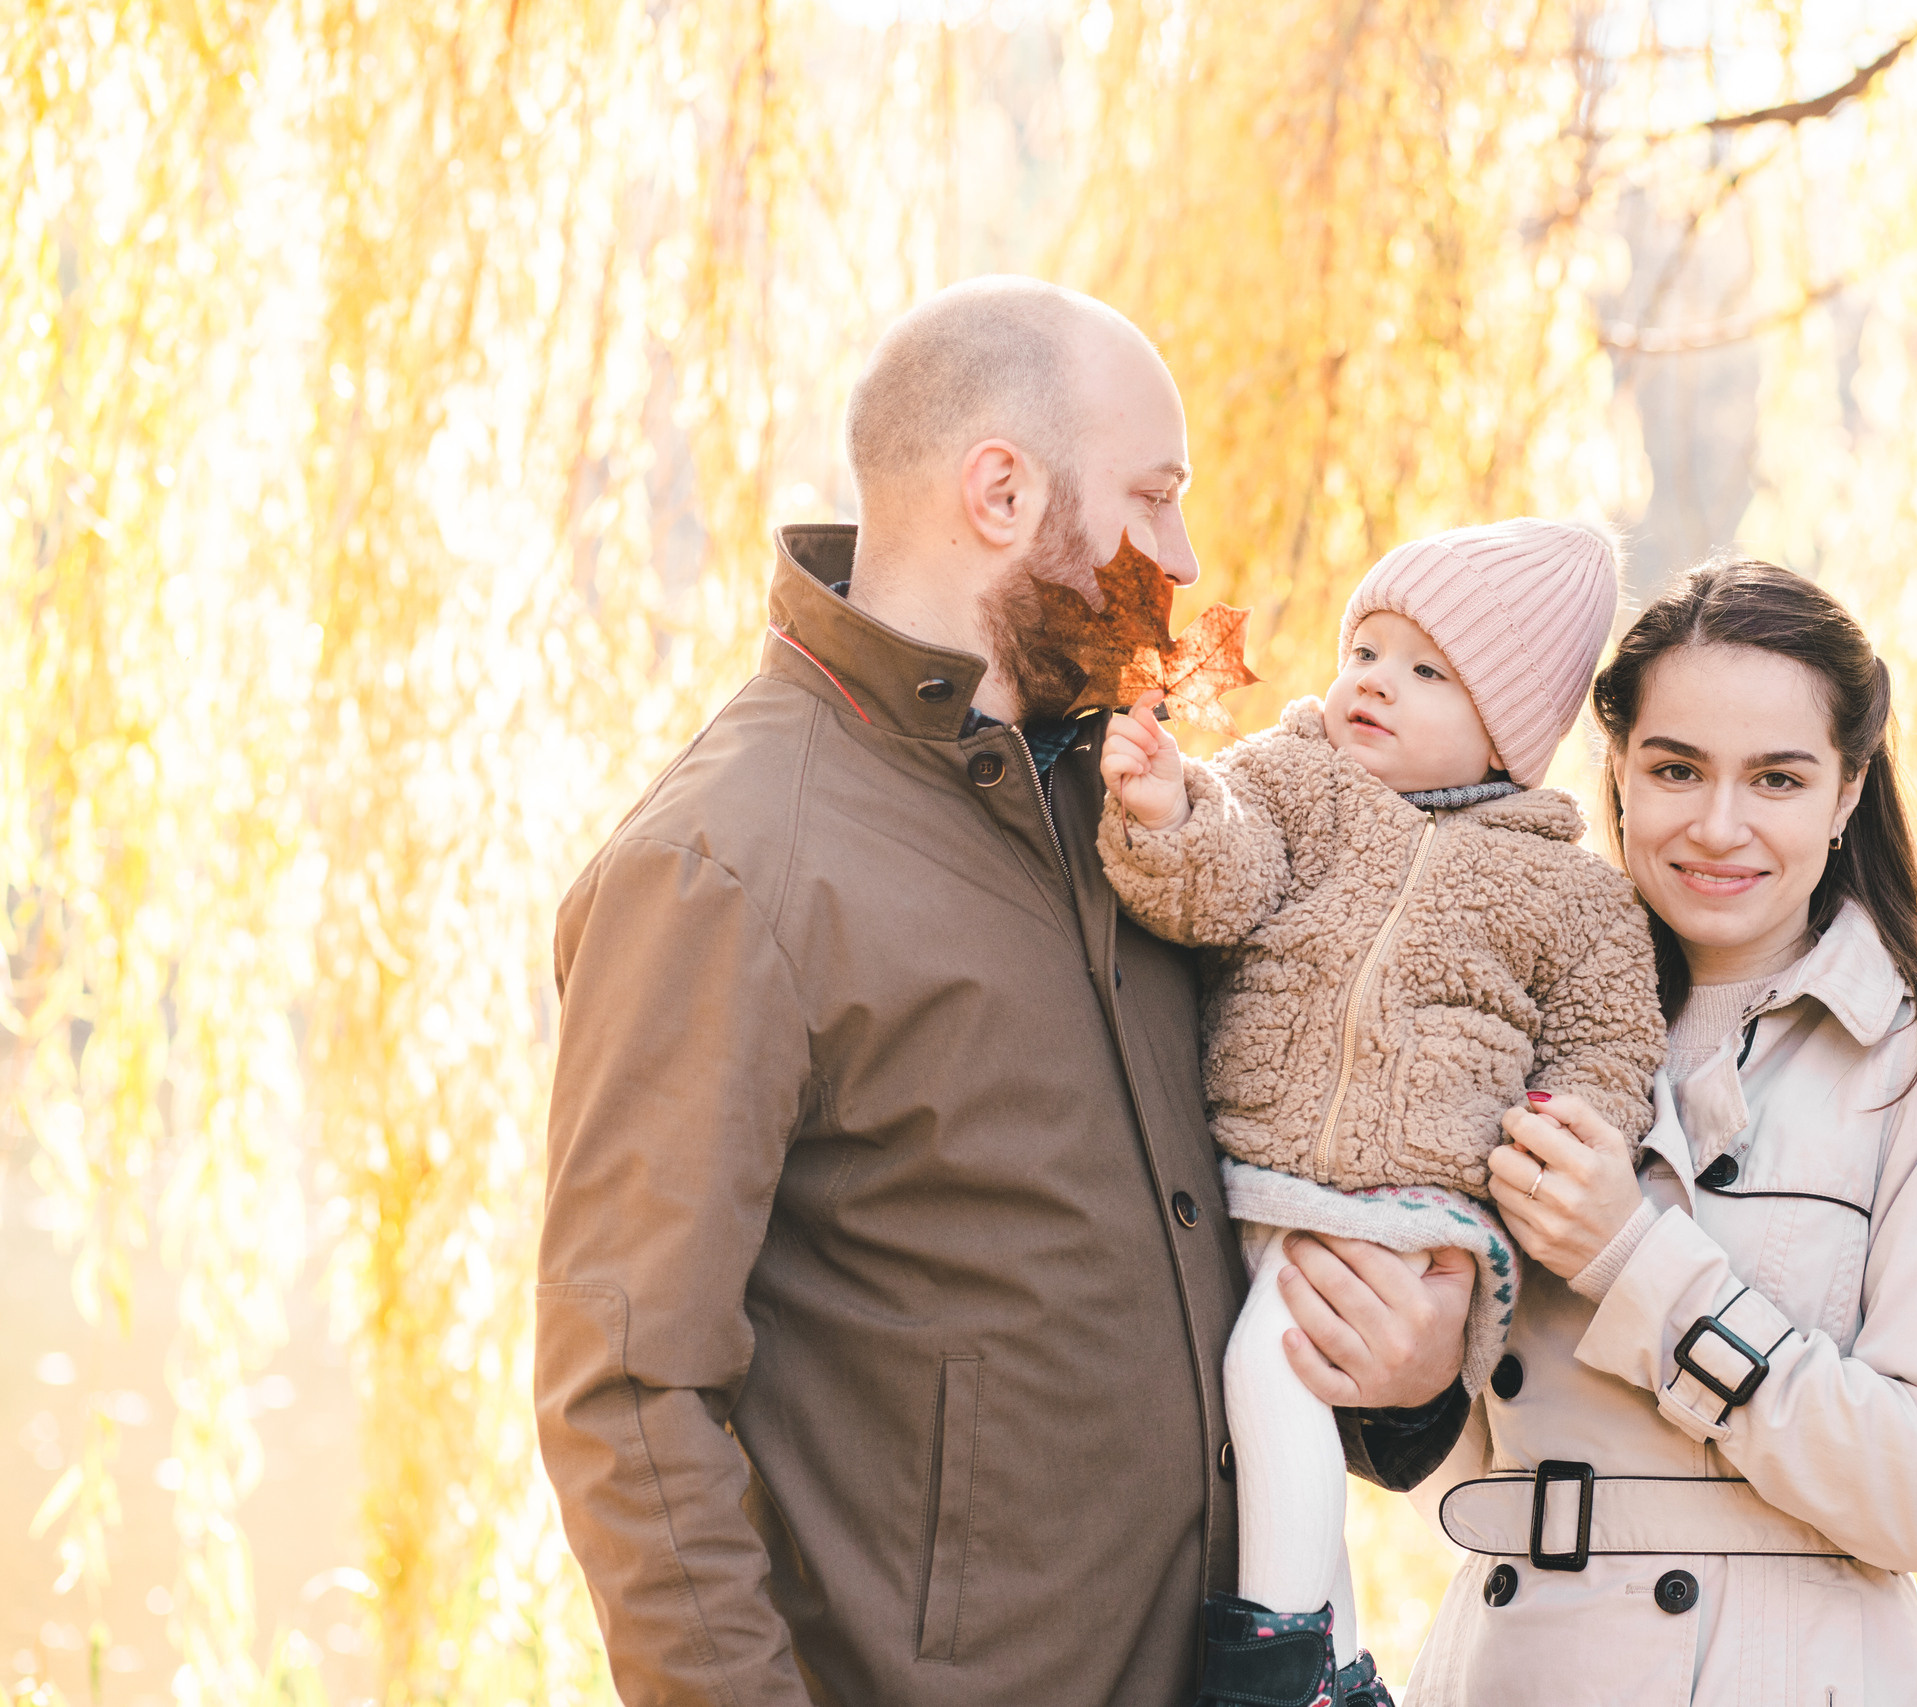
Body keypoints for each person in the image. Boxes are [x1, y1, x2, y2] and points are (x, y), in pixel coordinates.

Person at [533, 276, 1471, 1707]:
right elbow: (630, 1394)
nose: (1184, 550)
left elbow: (1257, 1198)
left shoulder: (1150, 817)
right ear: (1002, 490)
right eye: (1153, 499)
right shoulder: (726, 862)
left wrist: (1408, 1379)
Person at [1399, 555, 1917, 1705]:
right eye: (1675, 768)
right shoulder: (1507, 1030)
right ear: (1618, 774)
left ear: (1849, 791)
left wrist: (1636, 1263)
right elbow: (1464, 1455)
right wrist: (1399, 1382)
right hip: (1509, 1667)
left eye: (1778, 780)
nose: (1717, 824)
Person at [1097, 520, 1668, 1706]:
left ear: (1509, 727)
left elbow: (1607, 1043)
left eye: (1426, 671)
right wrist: (1166, 814)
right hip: (1254, 1168)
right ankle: (1344, 1674)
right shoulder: (1290, 782)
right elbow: (1220, 881)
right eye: (1365, 648)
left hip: (1414, 1203)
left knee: (1276, 1365)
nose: (1373, 682)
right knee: (1259, 1400)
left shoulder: (1567, 892)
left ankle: (1279, 1655)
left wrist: (1558, 1141)